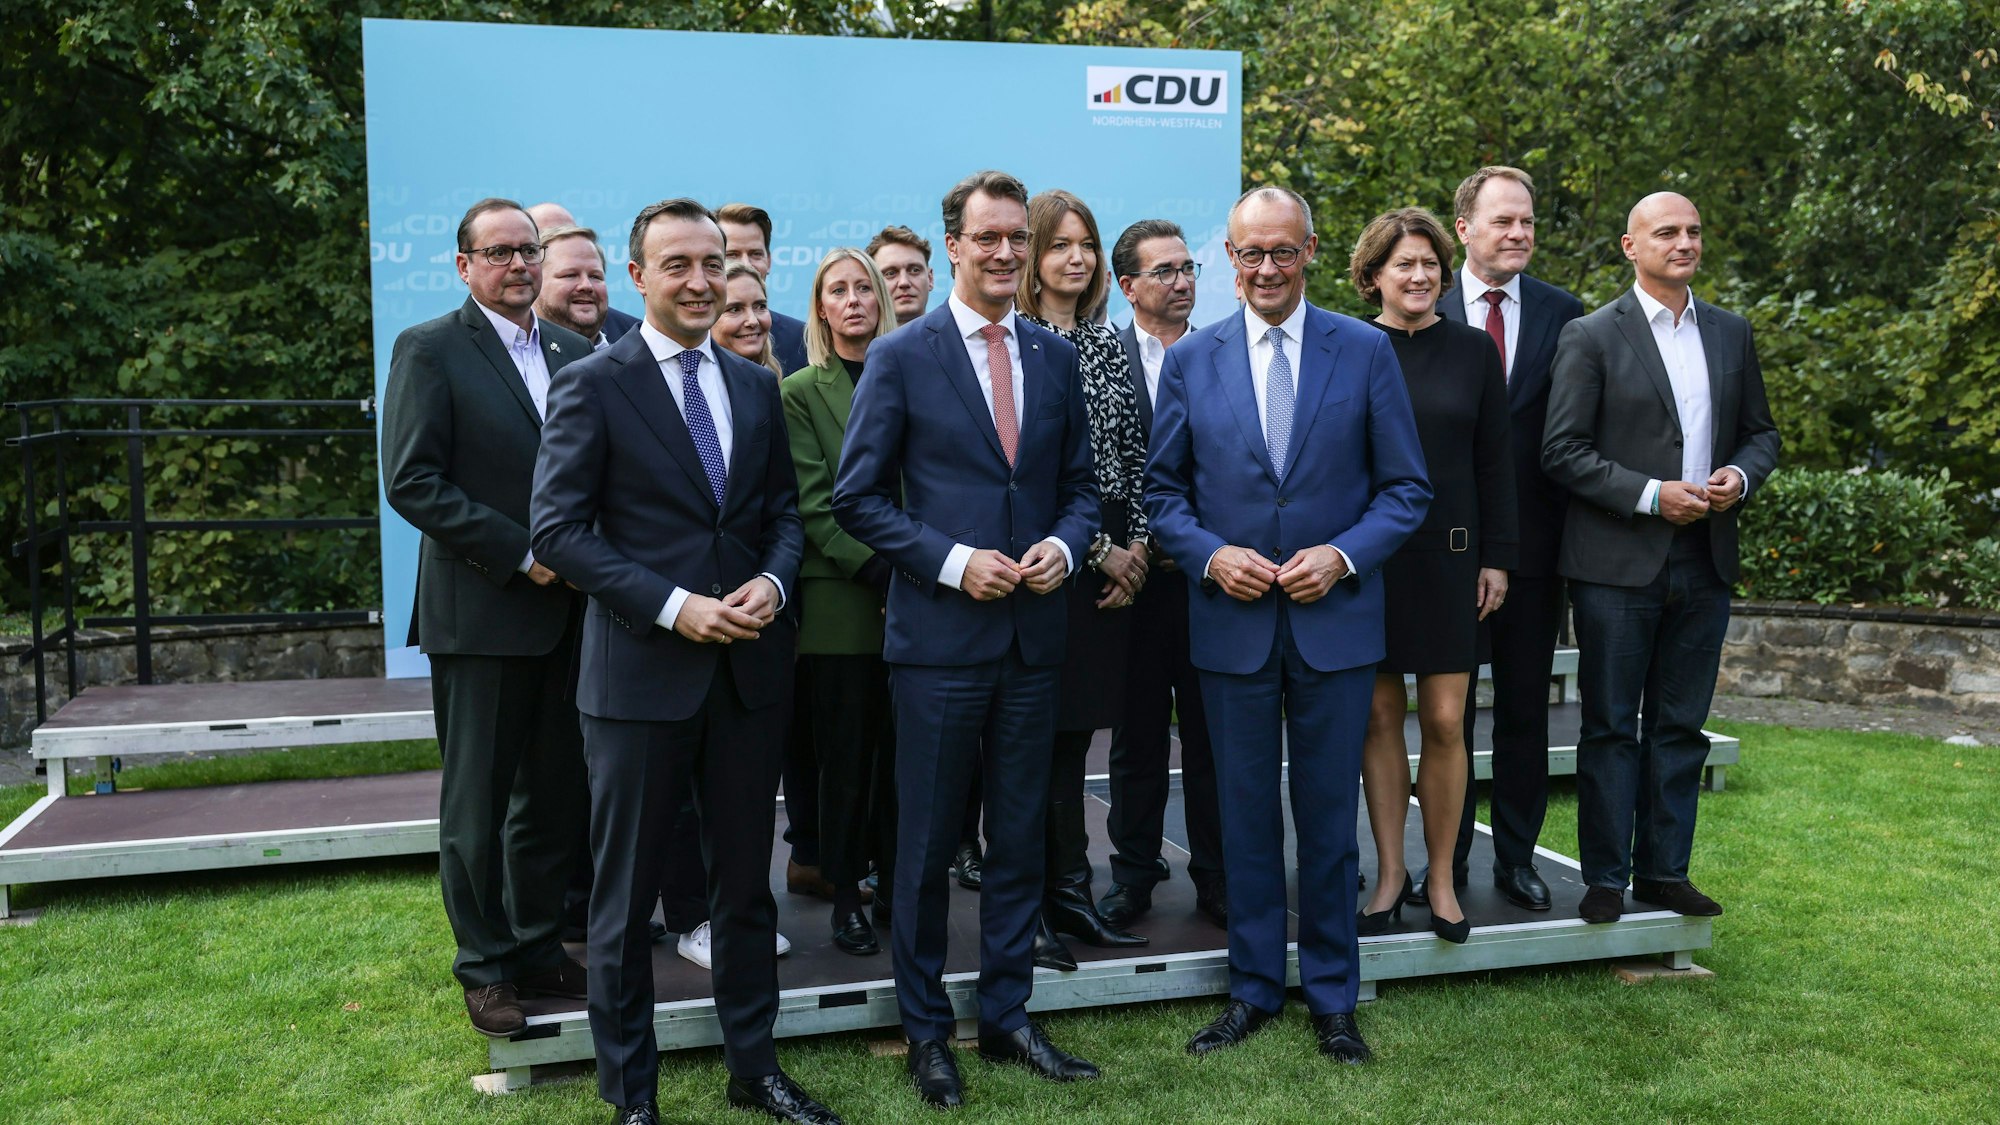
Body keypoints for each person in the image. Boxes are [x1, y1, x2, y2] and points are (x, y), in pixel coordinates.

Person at [530, 198, 838, 1125]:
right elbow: (557, 531)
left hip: (745, 677)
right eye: (679, 266)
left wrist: (773, 588)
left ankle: (756, 1067)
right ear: (639, 278)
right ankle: (633, 1095)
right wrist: (674, 606)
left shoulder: (753, 384)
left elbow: (782, 515)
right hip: (637, 681)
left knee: (745, 890)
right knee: (624, 907)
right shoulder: (591, 382)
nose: (702, 281)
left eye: (713, 263)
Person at [832, 169, 1101, 1109]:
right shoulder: (903, 356)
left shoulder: (1056, 355)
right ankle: (925, 1032)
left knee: (1020, 833)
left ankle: (1010, 1016)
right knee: (926, 846)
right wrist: (951, 561)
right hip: (941, 640)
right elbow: (856, 498)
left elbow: (1082, 490)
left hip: (1034, 638)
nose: (1003, 253)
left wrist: (1068, 548)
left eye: (1015, 239)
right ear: (955, 245)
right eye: (986, 237)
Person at [1146, 186, 1430, 1064]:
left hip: (1334, 623)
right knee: (1240, 817)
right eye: (1248, 254)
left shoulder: (1366, 349)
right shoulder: (1194, 360)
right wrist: (1209, 554)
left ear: (1310, 250)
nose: (1266, 269)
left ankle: (1334, 997)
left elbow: (1406, 489)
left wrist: (1342, 555)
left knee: (1325, 815)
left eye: (1282, 252)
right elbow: (1162, 494)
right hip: (1230, 624)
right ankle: (1254, 988)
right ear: (1226, 258)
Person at [380, 197, 592, 1038]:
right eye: (498, 252)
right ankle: (484, 967)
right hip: (482, 612)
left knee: (552, 797)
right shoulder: (431, 349)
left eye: (528, 251)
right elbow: (413, 481)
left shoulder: (576, 351)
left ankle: (539, 947)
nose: (518, 265)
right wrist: (521, 551)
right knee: (478, 805)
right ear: (464, 265)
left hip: (571, 616)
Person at [1542, 191, 1779, 925]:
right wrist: (1650, 495)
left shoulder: (1731, 333)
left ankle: (1664, 872)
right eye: (1667, 231)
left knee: (1680, 725)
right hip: (1616, 562)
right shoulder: (1591, 335)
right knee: (1611, 724)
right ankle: (1607, 877)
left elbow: (1761, 435)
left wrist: (1738, 477)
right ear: (1629, 246)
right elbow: (1561, 451)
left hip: (1705, 558)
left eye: (1694, 231)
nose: (1685, 242)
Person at [1348, 208, 1517, 944]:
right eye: (1403, 264)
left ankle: (1442, 878)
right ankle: (1390, 873)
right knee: (1379, 718)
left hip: (1452, 560)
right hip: (1370, 560)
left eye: (1430, 265)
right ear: (1371, 276)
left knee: (1447, 720)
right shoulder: (1349, 347)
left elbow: (1495, 463)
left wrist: (1498, 556)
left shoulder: (1476, 351)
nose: (1419, 277)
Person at [1423, 166, 1587, 913]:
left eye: (1527, 221)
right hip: (1439, 552)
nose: (1519, 233)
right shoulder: (1422, 306)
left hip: (1536, 552)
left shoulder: (1567, 315)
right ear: (1463, 229)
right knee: (1442, 715)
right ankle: (1443, 862)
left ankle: (1517, 858)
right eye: (1503, 222)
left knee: (1524, 708)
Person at [1015, 190, 1152, 970]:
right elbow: (1034, 473)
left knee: (1075, 748)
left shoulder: (1104, 340)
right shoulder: (1019, 339)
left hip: (1113, 574)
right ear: (1030, 255)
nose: (1076, 257)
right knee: (1029, 747)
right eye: (1060, 244)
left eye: (1087, 244)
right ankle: (1028, 902)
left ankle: (1073, 893)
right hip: (1048, 563)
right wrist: (1099, 548)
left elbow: (1135, 454)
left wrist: (1135, 552)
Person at [1098, 218, 1225, 930]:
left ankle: (1216, 874)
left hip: (1209, 579)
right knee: (1136, 737)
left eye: (1187, 269)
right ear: (1127, 286)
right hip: (1132, 584)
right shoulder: (1104, 357)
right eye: (1164, 271)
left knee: (1213, 735)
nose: (1181, 282)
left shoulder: (1220, 352)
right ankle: (1134, 873)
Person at [778, 248, 902, 958]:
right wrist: (884, 572)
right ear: (821, 308)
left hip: (917, 591)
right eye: (838, 290)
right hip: (842, 604)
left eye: (864, 288)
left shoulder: (911, 374)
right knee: (846, 762)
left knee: (901, 759)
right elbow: (816, 507)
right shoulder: (798, 391)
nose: (853, 300)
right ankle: (847, 894)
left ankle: (892, 886)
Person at [717, 202, 811, 375]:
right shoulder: (691, 342)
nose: (746, 264)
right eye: (731, 255)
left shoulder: (802, 340)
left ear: (769, 261)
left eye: (755, 254)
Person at [529, 203, 640, 341]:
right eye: (570, 275)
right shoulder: (505, 347)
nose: (586, 286)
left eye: (595, 276)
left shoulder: (637, 341)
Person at [715, 262, 785, 378]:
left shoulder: (772, 380)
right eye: (735, 309)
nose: (753, 321)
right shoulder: (694, 388)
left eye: (760, 306)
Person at [867, 225, 937, 327]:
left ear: (930, 278)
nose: (904, 282)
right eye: (890, 273)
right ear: (873, 285)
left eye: (914, 270)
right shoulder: (863, 342)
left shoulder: (956, 340)